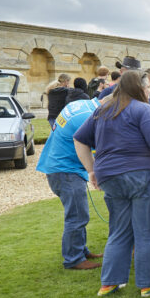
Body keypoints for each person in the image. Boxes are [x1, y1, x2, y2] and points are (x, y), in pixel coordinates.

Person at [73, 70, 150, 298]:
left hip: (111, 177)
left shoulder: (102, 109)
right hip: (145, 176)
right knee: (147, 232)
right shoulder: (143, 109)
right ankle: (148, 285)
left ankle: (110, 283)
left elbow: (79, 139)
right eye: (146, 87)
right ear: (140, 88)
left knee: (119, 231)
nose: (148, 91)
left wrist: (91, 170)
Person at [36, 97, 103, 270]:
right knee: (77, 215)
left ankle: (81, 250)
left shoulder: (80, 105)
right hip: (65, 171)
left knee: (77, 213)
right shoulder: (90, 116)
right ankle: (74, 259)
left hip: (58, 166)